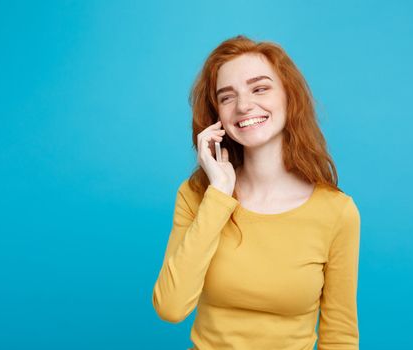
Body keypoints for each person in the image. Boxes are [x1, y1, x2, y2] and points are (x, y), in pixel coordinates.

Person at [152, 34, 361, 350]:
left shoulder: (336, 212)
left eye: (260, 88)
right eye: (227, 97)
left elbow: (340, 337)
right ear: (217, 117)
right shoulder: (197, 196)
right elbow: (170, 308)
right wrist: (219, 195)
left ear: (289, 97)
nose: (244, 106)